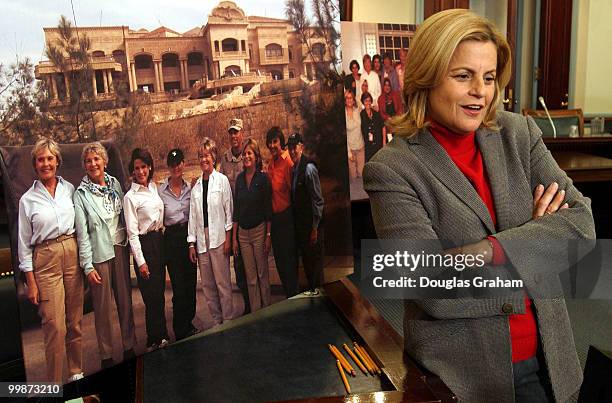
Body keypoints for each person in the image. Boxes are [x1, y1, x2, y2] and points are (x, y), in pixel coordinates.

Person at [363, 9, 594, 403]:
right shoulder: (392, 169)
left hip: (551, 360)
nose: (480, 92)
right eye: (463, 75)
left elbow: (582, 225)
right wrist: (535, 244)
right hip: (465, 379)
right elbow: (429, 286)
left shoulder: (518, 133)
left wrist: (489, 250)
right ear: (427, 75)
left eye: (488, 78)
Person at [18, 138, 84, 383]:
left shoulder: (69, 189)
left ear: (57, 161)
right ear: (35, 164)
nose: (46, 163)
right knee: (55, 326)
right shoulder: (28, 200)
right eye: (40, 159)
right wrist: (31, 283)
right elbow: (23, 245)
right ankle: (55, 382)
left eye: (50, 158)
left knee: (74, 320)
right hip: (45, 260)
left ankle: (76, 371)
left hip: (71, 250)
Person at [73, 142, 136, 370]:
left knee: (125, 302)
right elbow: (82, 233)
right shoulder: (80, 195)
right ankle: (106, 354)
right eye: (88, 161)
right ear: (84, 165)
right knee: (102, 309)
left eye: (96, 159)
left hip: (119, 248)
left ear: (104, 161)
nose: (93, 164)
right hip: (99, 256)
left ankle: (129, 345)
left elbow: (123, 217)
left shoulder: (114, 184)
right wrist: (87, 266)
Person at [124, 148, 169, 352]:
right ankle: (153, 339)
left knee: (159, 293)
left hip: (159, 241)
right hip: (144, 245)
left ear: (149, 167)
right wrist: (140, 261)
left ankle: (162, 335)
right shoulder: (130, 197)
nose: (141, 171)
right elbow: (132, 233)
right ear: (132, 171)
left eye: (144, 166)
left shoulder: (153, 188)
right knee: (150, 296)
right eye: (137, 168)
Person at [188, 139, 234, 326]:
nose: (203, 159)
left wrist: (228, 238)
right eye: (200, 156)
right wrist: (192, 243)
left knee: (223, 283)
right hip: (201, 241)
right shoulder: (196, 187)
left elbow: (228, 211)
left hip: (219, 238)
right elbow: (192, 217)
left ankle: (229, 319)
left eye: (206, 155)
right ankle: (217, 320)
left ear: (214, 156)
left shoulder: (222, 181)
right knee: (208, 285)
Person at [159, 148, 199, 340]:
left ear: (184, 164)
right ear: (169, 167)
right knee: (179, 287)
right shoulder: (160, 192)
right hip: (172, 240)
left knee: (191, 284)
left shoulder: (190, 189)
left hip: (188, 237)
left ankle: (189, 322)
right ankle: (180, 328)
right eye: (172, 165)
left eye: (179, 163)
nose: (176, 167)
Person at [232, 139, 272, 312]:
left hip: (259, 231)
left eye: (250, 153)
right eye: (245, 153)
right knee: (251, 277)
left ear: (256, 157)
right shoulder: (239, 180)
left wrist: (268, 236)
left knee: (262, 273)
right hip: (242, 234)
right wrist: (234, 238)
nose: (246, 156)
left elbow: (268, 209)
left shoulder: (263, 179)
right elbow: (236, 211)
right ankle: (256, 312)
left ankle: (267, 308)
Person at [219, 118, 251, 315]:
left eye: (236, 132)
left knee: (253, 266)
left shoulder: (249, 155)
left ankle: (256, 303)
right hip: (234, 221)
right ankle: (248, 304)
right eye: (231, 132)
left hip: (250, 218)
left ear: (242, 133)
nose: (234, 136)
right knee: (239, 268)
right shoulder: (224, 159)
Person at [287, 133, 325, 295]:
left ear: (301, 147)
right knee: (309, 267)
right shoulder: (295, 169)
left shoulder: (308, 169)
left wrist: (315, 228)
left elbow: (318, 200)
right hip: (302, 227)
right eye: (290, 148)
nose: (292, 151)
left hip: (312, 228)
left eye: (294, 147)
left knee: (315, 268)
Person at [265, 127, 299, 298]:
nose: (272, 145)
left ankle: (295, 298)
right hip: (275, 220)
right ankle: (289, 298)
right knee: (280, 263)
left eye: (275, 141)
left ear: (281, 142)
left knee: (289, 263)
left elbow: (294, 193)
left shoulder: (287, 163)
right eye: (270, 142)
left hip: (287, 219)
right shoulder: (270, 165)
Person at [360, 92, 386, 161]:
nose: (368, 103)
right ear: (363, 102)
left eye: (369, 100)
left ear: (371, 101)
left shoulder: (376, 113)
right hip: (369, 147)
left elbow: (383, 126)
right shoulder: (361, 115)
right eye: (366, 101)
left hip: (379, 144)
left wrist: (384, 142)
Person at [345, 90, 364, 179]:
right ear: (345, 100)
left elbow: (362, 103)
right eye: (347, 98)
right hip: (351, 150)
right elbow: (344, 136)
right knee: (353, 177)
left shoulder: (357, 110)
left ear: (353, 100)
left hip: (360, 147)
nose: (349, 100)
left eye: (351, 98)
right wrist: (349, 153)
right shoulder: (343, 114)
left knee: (361, 174)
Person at [378, 77, 404, 142]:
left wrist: (396, 119)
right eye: (385, 85)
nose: (387, 87)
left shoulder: (396, 95)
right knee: (391, 142)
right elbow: (381, 113)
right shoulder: (380, 98)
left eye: (388, 85)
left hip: (397, 121)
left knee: (399, 141)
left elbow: (400, 108)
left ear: (391, 86)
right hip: (387, 123)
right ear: (383, 87)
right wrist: (389, 118)